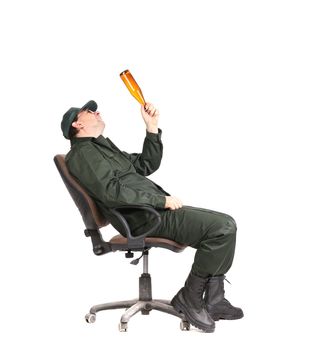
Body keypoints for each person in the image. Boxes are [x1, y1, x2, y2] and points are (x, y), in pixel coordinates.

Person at [61, 100, 244, 333]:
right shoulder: (84, 154)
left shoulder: (100, 148)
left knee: (225, 226)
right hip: (142, 219)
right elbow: (111, 192)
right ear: (77, 124)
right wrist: (161, 201)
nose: (97, 112)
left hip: (150, 212)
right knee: (222, 227)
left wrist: (151, 128)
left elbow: (145, 164)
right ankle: (191, 297)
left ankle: (214, 300)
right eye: (89, 111)